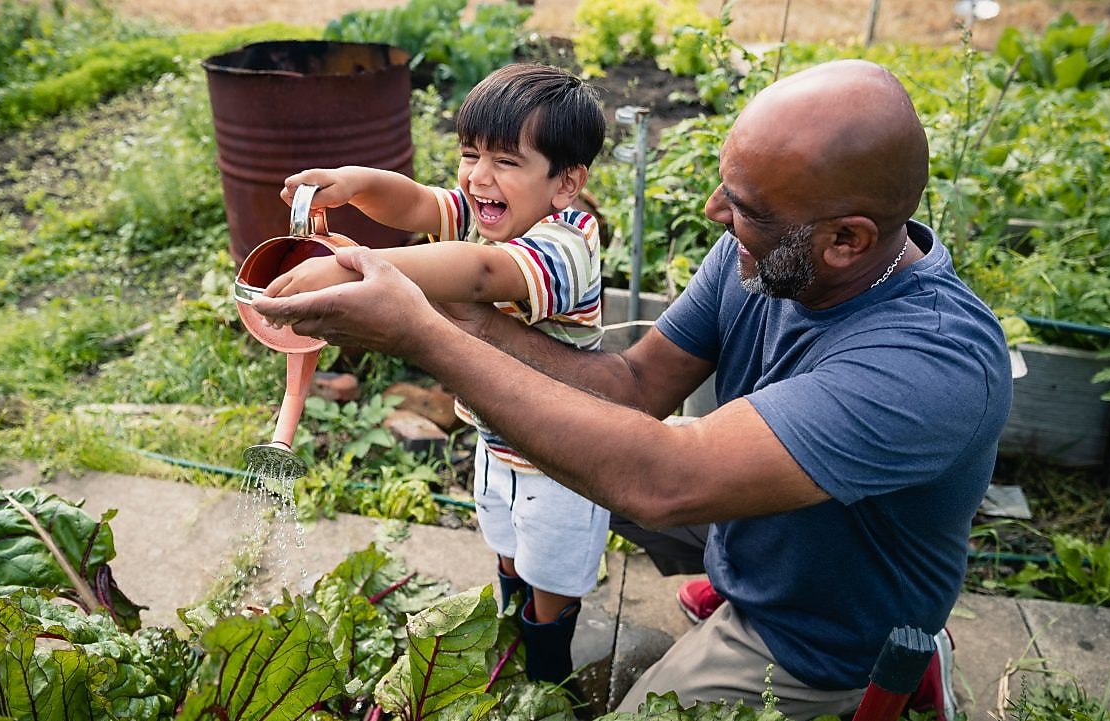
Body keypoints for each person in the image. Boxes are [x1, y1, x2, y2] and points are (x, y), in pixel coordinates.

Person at [253, 59, 1013, 720]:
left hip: (816, 627)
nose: (717, 215)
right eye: (727, 187)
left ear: (846, 239)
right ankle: (721, 572)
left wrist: (418, 328)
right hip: (746, 523)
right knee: (573, 471)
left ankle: (899, 669)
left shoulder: (931, 361)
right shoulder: (763, 255)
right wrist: (439, 308)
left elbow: (663, 480)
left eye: (746, 209)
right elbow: (632, 388)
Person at [265, 63, 609, 686]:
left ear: (566, 183)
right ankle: (510, 634)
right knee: (506, 545)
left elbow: (480, 273)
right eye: (470, 153)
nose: (479, 176)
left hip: (565, 457)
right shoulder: (490, 212)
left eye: (506, 161)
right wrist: (354, 184)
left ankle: (548, 674)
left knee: (552, 574)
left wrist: (353, 269)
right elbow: (420, 203)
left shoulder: (566, 246)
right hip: (496, 440)